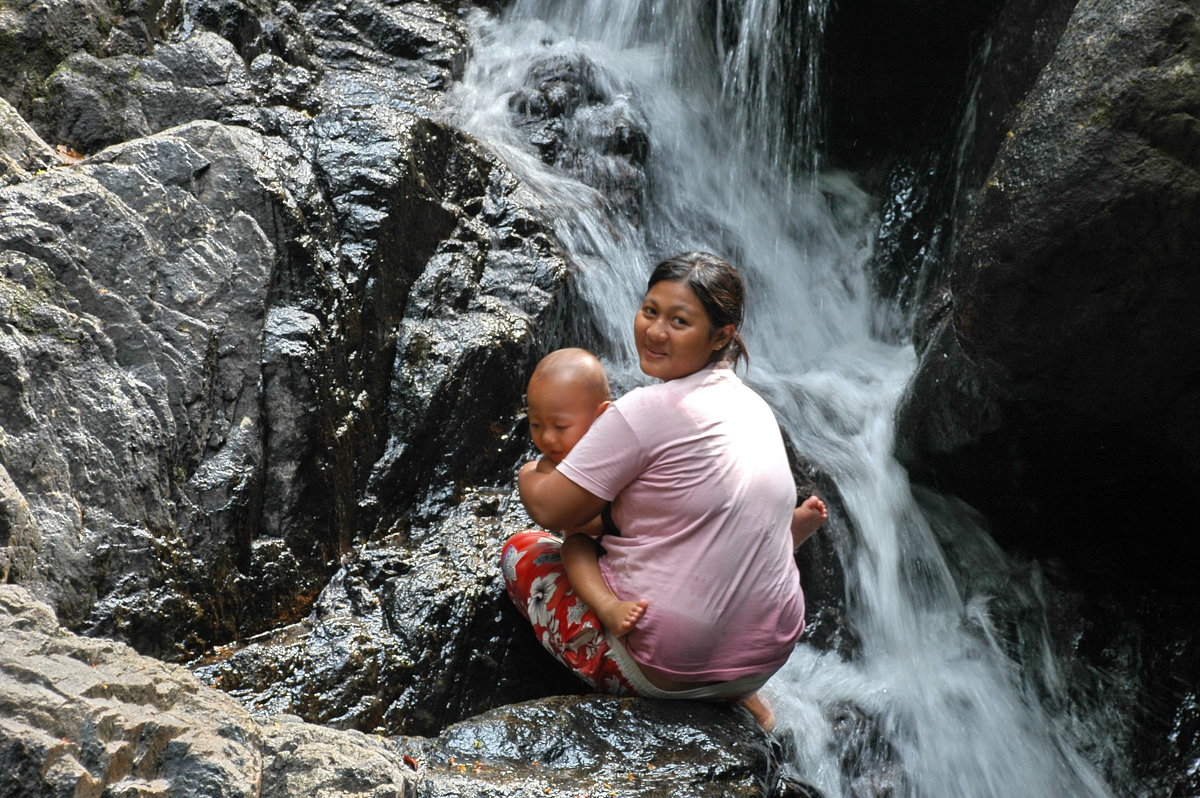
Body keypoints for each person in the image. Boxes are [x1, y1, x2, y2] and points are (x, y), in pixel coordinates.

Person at [501, 251, 827, 730]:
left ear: (721, 336)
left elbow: (551, 510)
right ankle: (738, 694)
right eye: (650, 311)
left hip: (665, 669)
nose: (655, 331)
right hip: (764, 658)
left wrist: (532, 468)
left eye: (679, 321)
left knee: (523, 551)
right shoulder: (754, 405)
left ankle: (660, 671)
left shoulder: (642, 411)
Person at [524, 348, 651, 639]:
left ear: (602, 416)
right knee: (575, 547)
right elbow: (582, 525)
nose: (547, 438)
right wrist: (529, 474)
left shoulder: (620, 452)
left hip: (640, 551)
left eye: (560, 426)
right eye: (536, 425)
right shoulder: (549, 470)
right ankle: (608, 607)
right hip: (597, 554)